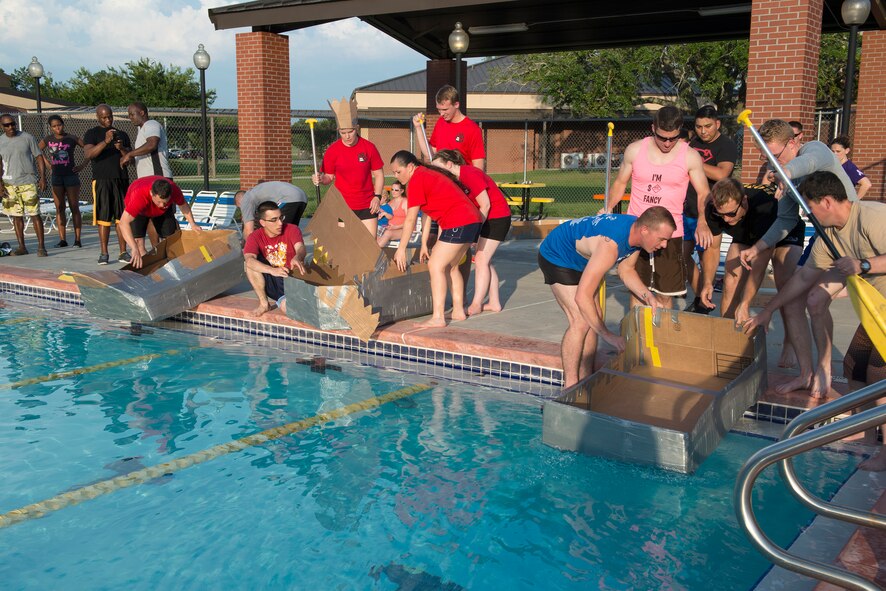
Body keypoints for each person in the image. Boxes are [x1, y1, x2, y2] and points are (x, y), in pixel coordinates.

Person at [743, 171, 886, 469]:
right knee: (854, 367)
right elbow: (804, 278)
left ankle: (885, 451)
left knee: (878, 377)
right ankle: (868, 435)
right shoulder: (829, 235)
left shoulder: (872, 217)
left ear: (827, 201)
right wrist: (769, 309)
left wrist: (863, 264)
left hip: (882, 310)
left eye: (810, 207)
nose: (808, 216)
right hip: (877, 309)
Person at [739, 119, 858, 396]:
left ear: (792, 143)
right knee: (792, 302)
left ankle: (824, 370)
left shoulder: (814, 150)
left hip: (850, 235)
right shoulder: (788, 176)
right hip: (822, 241)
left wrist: (784, 171)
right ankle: (805, 374)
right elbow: (784, 221)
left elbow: (809, 164)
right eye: (766, 157)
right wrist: (756, 248)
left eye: (775, 156)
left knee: (816, 300)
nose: (771, 163)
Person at [538, 207, 676, 388]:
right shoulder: (610, 245)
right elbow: (582, 297)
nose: (664, 245)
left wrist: (648, 296)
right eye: (662, 239)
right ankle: (569, 387)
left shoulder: (636, 234)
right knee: (580, 320)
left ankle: (586, 379)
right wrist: (608, 336)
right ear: (645, 230)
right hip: (558, 255)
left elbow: (626, 270)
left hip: (582, 258)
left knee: (595, 315)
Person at [602, 105, 711, 308]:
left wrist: (703, 222)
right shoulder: (635, 150)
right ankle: (637, 337)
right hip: (638, 229)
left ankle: (661, 337)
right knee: (637, 290)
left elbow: (704, 192)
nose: (668, 143)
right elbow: (619, 183)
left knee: (665, 294)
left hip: (670, 234)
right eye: (662, 138)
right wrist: (607, 208)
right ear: (653, 128)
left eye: (673, 138)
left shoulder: (690, 156)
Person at [698, 179, 805, 353]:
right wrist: (708, 283)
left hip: (783, 230)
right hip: (747, 232)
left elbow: (759, 266)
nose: (726, 219)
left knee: (784, 282)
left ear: (744, 201)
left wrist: (746, 303)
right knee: (730, 282)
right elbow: (713, 248)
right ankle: (728, 339)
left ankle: (789, 342)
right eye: (721, 215)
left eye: (730, 214)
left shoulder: (765, 208)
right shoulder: (714, 208)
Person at [390, 150, 483, 327]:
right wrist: (424, 243)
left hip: (459, 221)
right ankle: (458, 311)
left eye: (398, 171)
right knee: (451, 266)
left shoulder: (417, 179)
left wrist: (401, 248)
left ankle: (438, 317)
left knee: (435, 265)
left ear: (410, 167)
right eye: (393, 172)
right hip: (471, 221)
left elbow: (410, 218)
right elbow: (427, 216)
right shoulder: (425, 175)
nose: (395, 175)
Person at [432, 149, 512, 315]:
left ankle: (476, 304)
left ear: (449, 164)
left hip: (496, 216)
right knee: (486, 260)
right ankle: (494, 302)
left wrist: (475, 232)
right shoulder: (459, 180)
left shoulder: (468, 173)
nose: (437, 173)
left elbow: (486, 204)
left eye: (439, 168)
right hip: (491, 217)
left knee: (481, 259)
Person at [682, 105, 738, 314]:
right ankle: (700, 297)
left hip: (712, 210)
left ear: (717, 124)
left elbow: (722, 174)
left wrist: (692, 160)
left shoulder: (726, 145)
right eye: (698, 126)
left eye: (707, 126)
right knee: (681, 257)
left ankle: (703, 301)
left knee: (708, 255)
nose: (703, 131)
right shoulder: (692, 143)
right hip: (688, 208)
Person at [312, 97, 384, 236]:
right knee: (345, 245)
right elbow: (329, 177)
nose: (347, 136)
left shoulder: (369, 147)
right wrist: (321, 179)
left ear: (356, 129)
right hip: (343, 205)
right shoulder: (333, 150)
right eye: (343, 133)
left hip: (367, 204)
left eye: (350, 132)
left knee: (369, 243)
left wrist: (377, 196)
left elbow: (379, 174)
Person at [82, 104, 131, 265]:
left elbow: (130, 160)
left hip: (121, 179)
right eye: (104, 117)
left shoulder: (122, 134)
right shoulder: (92, 133)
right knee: (103, 219)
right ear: (98, 117)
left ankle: (123, 252)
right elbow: (89, 154)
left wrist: (122, 148)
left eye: (110, 116)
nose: (108, 119)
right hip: (102, 180)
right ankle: (104, 253)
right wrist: (105, 141)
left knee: (121, 218)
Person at [118, 176, 202, 269]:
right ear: (151, 194)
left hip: (162, 213)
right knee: (138, 244)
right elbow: (123, 223)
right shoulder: (138, 196)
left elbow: (183, 206)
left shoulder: (174, 190)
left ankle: (173, 267)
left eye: (165, 202)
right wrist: (133, 248)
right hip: (141, 209)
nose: (162, 205)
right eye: (159, 202)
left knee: (170, 238)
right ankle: (146, 270)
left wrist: (193, 224)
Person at [243, 201, 307, 318]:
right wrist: (271, 270)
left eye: (281, 217)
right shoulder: (255, 236)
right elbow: (249, 259)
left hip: (291, 279)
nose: (280, 223)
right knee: (250, 265)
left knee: (287, 308)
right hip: (273, 278)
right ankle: (264, 304)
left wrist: (298, 257)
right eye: (274, 220)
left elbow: (300, 247)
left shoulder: (292, 229)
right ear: (263, 222)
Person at [0, 113, 48, 257]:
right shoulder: (0, 141)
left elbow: (39, 157)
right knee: (16, 216)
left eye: (12, 124)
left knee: (34, 214)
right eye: (7, 125)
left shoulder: (27, 137)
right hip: (9, 184)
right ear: (2, 127)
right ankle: (22, 246)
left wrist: (42, 178)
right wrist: (0, 184)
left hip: (28, 182)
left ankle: (41, 247)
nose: (11, 127)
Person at [412, 85, 486, 169]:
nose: (441, 114)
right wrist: (418, 128)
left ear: (456, 104)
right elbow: (430, 154)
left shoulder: (473, 129)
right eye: (439, 109)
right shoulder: (440, 122)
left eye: (445, 109)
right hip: (442, 179)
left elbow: (478, 168)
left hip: (460, 180)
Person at [38, 115, 85, 248]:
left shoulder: (71, 138)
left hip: (71, 175)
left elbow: (88, 149)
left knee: (74, 206)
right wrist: (47, 163)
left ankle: (77, 239)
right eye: (54, 126)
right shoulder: (48, 139)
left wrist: (82, 165)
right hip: (57, 176)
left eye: (59, 124)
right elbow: (36, 150)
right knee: (59, 208)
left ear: (63, 124)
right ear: (50, 127)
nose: (57, 128)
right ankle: (62, 239)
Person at [235, 180, 308, 236]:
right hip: (302, 196)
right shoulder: (255, 192)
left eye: (240, 208)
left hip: (288, 198)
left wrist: (246, 249)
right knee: (290, 231)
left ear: (239, 202)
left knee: (276, 230)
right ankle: (294, 253)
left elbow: (249, 230)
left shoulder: (245, 199)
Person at [120, 102, 172, 179]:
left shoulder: (151, 124)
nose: (130, 117)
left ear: (142, 113)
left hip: (157, 176)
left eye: (132, 114)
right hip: (146, 177)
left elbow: (152, 144)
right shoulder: (140, 130)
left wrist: (129, 154)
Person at [830, 135, 871, 200]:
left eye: (838, 151)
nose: (835, 154)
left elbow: (866, 184)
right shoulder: (832, 165)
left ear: (847, 151)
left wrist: (854, 202)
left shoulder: (849, 168)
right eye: (832, 151)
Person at [376, 182, 408, 247]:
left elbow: (411, 221)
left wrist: (396, 227)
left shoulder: (405, 202)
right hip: (388, 228)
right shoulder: (389, 203)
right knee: (375, 233)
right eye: (392, 189)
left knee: (388, 233)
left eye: (396, 190)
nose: (393, 192)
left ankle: (374, 252)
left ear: (402, 191)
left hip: (404, 229)